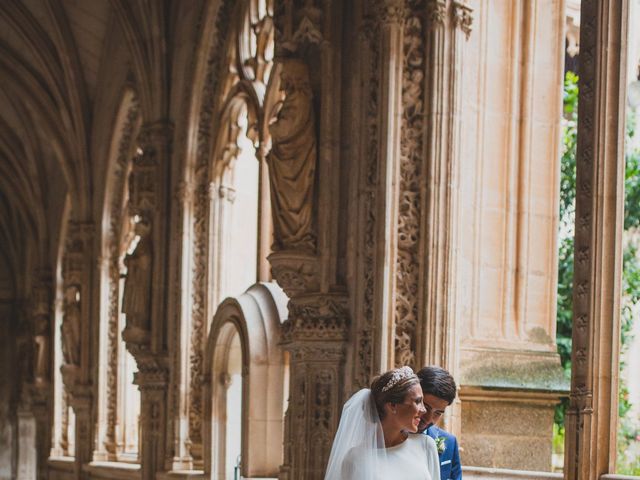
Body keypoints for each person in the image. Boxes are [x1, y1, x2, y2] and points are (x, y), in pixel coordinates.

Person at [325, 366, 441, 480]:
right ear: (392, 406)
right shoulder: (355, 458)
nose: (424, 410)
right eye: (417, 401)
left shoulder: (426, 445)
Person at [416, 366, 462, 480]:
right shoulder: (388, 436)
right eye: (425, 407)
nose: (428, 418)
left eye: (438, 413)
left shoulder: (450, 442)